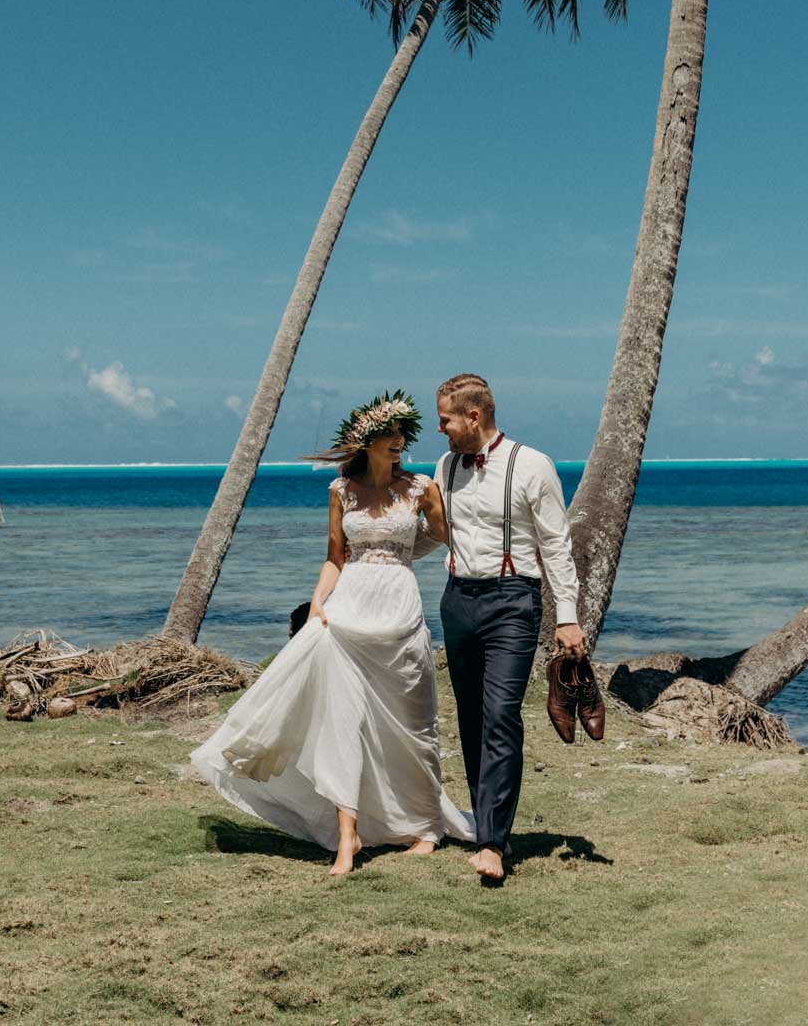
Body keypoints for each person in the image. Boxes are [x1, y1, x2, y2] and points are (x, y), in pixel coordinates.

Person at [191, 391, 474, 875]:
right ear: (366, 442)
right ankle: (348, 837)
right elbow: (335, 557)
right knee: (344, 726)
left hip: (400, 613)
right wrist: (319, 602)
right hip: (348, 612)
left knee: (415, 726)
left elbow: (451, 537)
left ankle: (426, 825)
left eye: (403, 434)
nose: (399, 442)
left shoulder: (422, 488)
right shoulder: (341, 492)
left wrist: (400, 555)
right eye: (390, 434)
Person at [435, 372, 585, 883]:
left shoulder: (532, 464)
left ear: (473, 417)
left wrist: (567, 615)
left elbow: (556, 545)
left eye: (446, 420)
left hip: (512, 602)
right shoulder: (445, 465)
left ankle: (494, 844)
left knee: (501, 715)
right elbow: (439, 534)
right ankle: (484, 824)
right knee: (472, 720)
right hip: (457, 601)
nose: (442, 430)